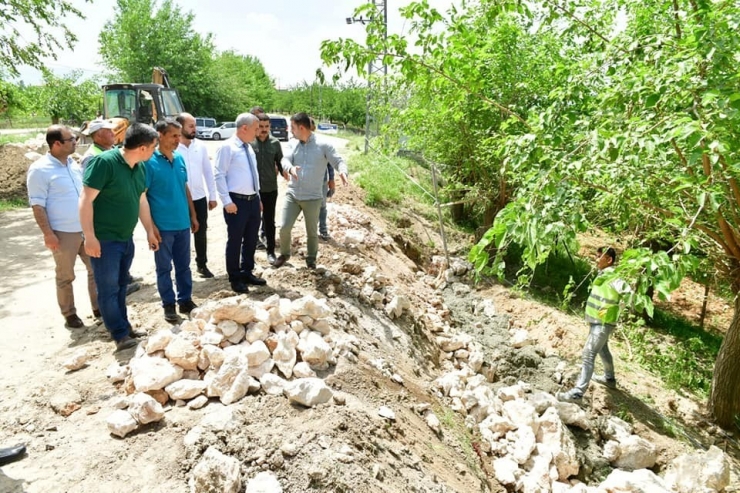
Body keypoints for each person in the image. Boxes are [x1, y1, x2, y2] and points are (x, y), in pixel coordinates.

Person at [80, 123, 161, 352]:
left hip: (125, 238)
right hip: (104, 239)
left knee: (121, 285)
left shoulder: (139, 167)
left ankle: (124, 327)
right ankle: (119, 334)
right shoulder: (105, 163)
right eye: (153, 147)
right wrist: (89, 237)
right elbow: (85, 200)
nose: (154, 151)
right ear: (143, 148)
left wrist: (149, 230)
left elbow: (141, 200)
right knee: (107, 288)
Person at [26, 125, 99, 328]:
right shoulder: (40, 170)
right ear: (56, 144)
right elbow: (37, 205)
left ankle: (98, 308)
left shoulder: (73, 165)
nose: (76, 141)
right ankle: (69, 314)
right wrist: (48, 234)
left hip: (85, 229)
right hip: (62, 233)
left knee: (96, 269)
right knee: (66, 276)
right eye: (71, 139)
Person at [273, 112, 348, 269]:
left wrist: (342, 171)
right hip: (293, 195)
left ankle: (311, 260)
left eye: (292, 128)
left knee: (312, 233)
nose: (290, 131)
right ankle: (285, 254)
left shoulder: (323, 145)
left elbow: (338, 160)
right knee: (284, 227)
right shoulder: (293, 144)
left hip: (313, 197)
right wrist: (290, 168)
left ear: (301, 127)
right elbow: (284, 159)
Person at [557, 247, 630, 403]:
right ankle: (609, 380)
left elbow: (629, 294)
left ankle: (577, 394)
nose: (596, 259)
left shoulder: (614, 277)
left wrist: (617, 309)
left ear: (608, 260)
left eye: (599, 257)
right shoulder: (604, 275)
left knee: (588, 354)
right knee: (603, 349)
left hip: (603, 323)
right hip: (597, 321)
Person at [143, 119, 199, 322]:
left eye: (179, 135)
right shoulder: (148, 163)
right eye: (173, 135)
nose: (178, 139)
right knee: (164, 268)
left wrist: (192, 215)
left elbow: (185, 189)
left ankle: (185, 300)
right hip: (163, 228)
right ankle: (168, 304)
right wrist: (151, 227)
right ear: (160, 136)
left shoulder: (179, 159)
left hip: (182, 224)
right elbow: (143, 197)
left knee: (184, 266)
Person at [81, 118, 142, 295]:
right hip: (103, 225)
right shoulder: (93, 157)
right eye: (109, 131)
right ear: (98, 135)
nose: (114, 133)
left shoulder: (111, 152)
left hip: (120, 226)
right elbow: (88, 194)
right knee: (103, 271)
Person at [214, 113, 266, 293]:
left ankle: (246, 271)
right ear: (244, 128)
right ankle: (235, 277)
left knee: (251, 239)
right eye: (256, 128)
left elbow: (252, 174)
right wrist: (227, 201)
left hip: (252, 201)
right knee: (235, 240)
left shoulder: (248, 148)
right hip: (236, 202)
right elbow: (219, 174)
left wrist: (257, 196)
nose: (258, 132)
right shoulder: (227, 147)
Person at [176, 112, 218, 278]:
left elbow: (208, 172)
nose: (195, 129)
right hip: (179, 199)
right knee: (181, 234)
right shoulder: (172, 148)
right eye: (191, 126)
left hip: (199, 197)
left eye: (195, 125)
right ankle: (181, 267)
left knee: (201, 232)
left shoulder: (200, 146)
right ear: (180, 127)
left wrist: (212, 196)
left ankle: (202, 264)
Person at [251, 112, 284, 265]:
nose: (264, 129)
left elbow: (281, 163)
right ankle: (249, 254)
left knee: (269, 222)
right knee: (252, 222)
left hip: (270, 189)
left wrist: (289, 173)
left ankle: (270, 252)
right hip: (252, 190)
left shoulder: (275, 143)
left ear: (270, 126)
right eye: (261, 126)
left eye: (266, 126)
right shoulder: (250, 143)